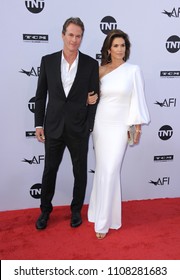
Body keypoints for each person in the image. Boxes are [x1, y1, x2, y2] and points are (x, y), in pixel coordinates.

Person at [34, 17, 99, 230]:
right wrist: (38, 125)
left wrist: (88, 125)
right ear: (63, 35)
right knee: (49, 170)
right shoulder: (48, 61)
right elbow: (41, 96)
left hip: (78, 127)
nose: (74, 40)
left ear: (82, 38)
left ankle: (75, 211)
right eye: (70, 35)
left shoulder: (90, 64)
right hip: (52, 127)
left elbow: (94, 97)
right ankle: (45, 211)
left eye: (78, 36)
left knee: (80, 171)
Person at [87, 29, 150, 239]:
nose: (120, 49)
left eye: (123, 45)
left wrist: (137, 127)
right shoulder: (100, 70)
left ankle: (104, 222)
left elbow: (137, 99)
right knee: (103, 169)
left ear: (126, 48)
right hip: (101, 125)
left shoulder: (133, 70)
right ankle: (98, 213)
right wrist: (88, 100)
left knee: (111, 170)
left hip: (121, 126)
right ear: (108, 49)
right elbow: (91, 97)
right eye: (116, 46)